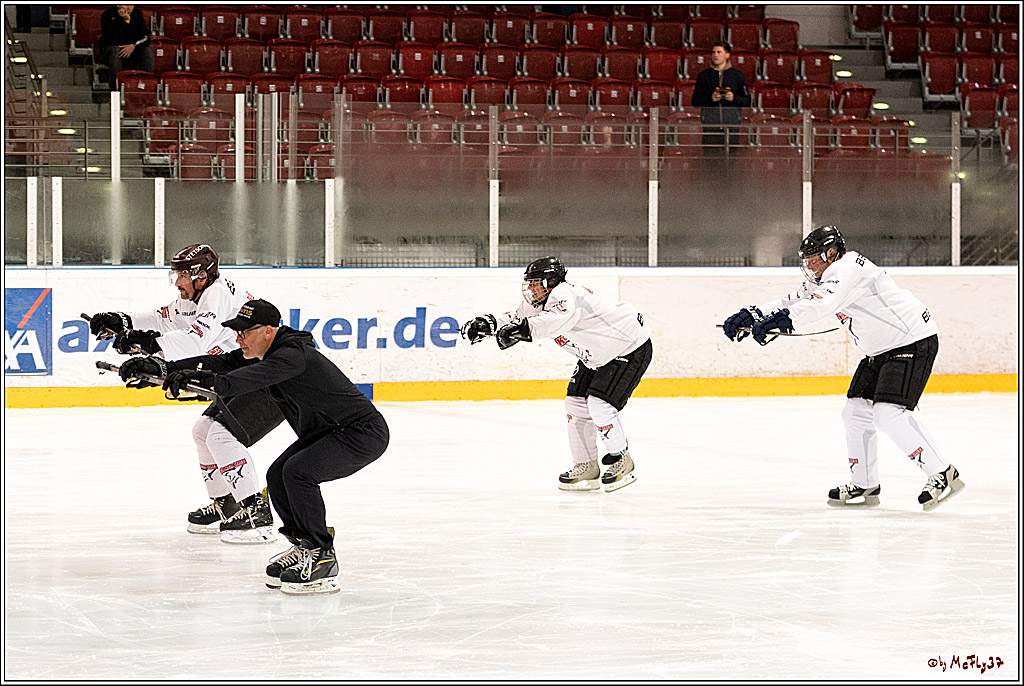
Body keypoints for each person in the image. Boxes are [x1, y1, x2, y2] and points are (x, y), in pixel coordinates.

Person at [721, 225, 965, 512]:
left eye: (814, 258)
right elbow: (795, 301)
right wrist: (754, 314)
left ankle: (943, 473)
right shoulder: (826, 274)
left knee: (888, 414)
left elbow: (820, 307)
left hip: (912, 341)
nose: (809, 266)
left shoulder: (847, 269)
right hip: (880, 350)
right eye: (806, 260)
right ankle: (864, 484)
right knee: (856, 412)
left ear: (832, 252)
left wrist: (780, 321)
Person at [158, 299, 391, 595]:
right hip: (329, 432)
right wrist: (168, 368)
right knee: (279, 474)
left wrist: (209, 380)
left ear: (268, 331)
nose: (238, 338)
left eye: (244, 332)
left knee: (298, 473)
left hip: (361, 433)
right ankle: (304, 546)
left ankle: (322, 555)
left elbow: (243, 379)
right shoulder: (267, 352)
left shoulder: (291, 357)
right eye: (236, 332)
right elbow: (225, 363)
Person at [94, 244, 282, 543]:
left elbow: (196, 341)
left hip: (268, 380)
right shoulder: (197, 295)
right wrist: (123, 322)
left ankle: (256, 514)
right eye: (176, 274)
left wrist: (152, 351)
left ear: (201, 275)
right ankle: (227, 505)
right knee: (203, 432)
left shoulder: (217, 294)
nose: (177, 282)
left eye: (183, 275)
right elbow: (162, 317)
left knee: (221, 436)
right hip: (240, 376)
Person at [461, 257, 653, 493]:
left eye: (535, 283)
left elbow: (551, 322)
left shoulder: (565, 295)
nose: (530, 289)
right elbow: (515, 317)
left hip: (629, 347)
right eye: (528, 283)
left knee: (600, 406)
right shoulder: (537, 301)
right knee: (575, 405)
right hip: (595, 356)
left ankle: (621, 459)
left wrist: (523, 330)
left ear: (550, 282)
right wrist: (488, 324)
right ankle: (587, 466)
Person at [690, 41, 751, 157]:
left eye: (719, 52)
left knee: (730, 160)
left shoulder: (737, 76)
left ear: (727, 55)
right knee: (710, 160)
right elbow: (695, 101)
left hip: (731, 126)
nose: (715, 55)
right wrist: (711, 99)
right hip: (710, 126)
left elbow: (747, 100)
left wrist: (734, 98)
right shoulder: (704, 76)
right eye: (713, 52)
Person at [98, 5, 154, 92]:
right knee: (116, 50)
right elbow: (114, 40)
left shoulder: (137, 14)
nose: (128, 7)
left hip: (132, 50)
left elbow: (146, 38)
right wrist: (126, 22)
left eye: (131, 4)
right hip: (110, 51)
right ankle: (115, 90)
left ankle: (146, 86)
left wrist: (133, 46)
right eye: (126, 4)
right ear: (118, 5)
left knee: (148, 51)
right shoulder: (108, 15)